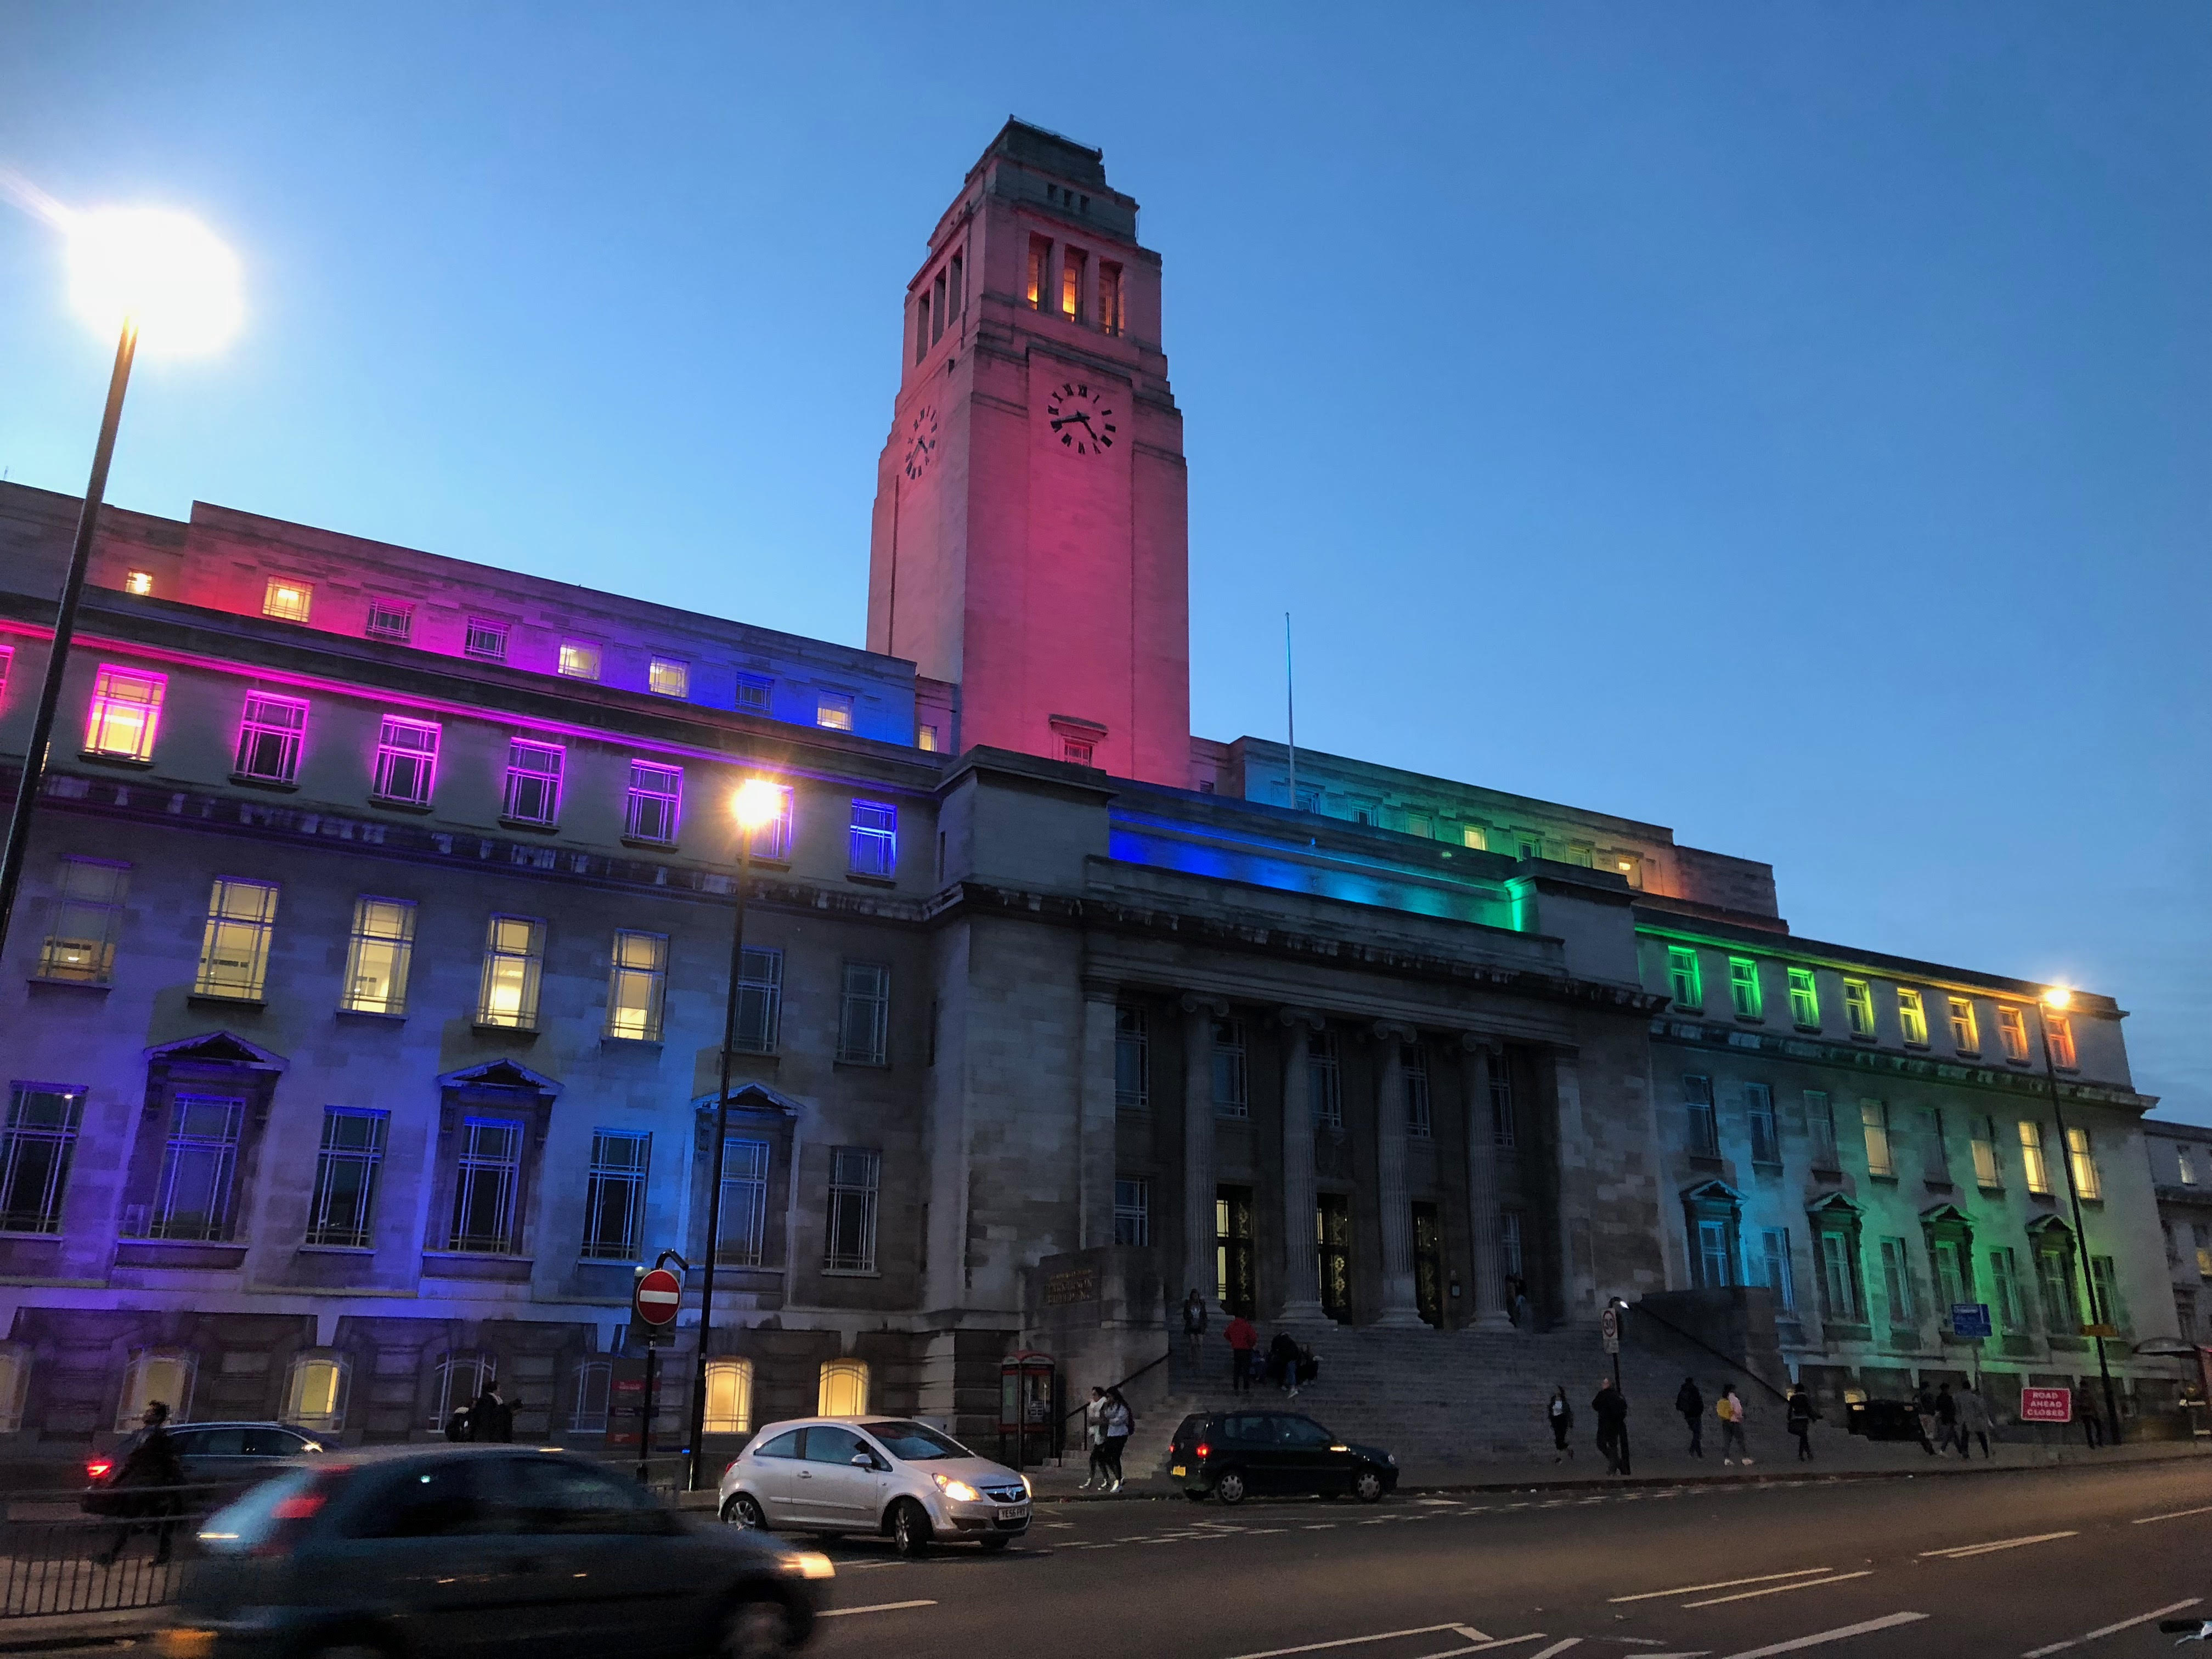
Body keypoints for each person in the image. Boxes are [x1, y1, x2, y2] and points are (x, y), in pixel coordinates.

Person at [93, 1402, 185, 1567]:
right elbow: (133, 1461)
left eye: (150, 1412)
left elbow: (166, 1461)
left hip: (150, 1484)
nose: (146, 1414)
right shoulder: (142, 1435)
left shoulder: (158, 1438)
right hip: (142, 1483)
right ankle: (163, 1554)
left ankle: (111, 1556)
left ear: (157, 1417)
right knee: (152, 1521)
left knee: (132, 1518)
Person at [1098, 1387, 1134, 1493]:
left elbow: (1119, 1420)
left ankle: (1118, 1481)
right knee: (1105, 1456)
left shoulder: (1122, 1407)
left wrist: (1108, 1421)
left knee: (1115, 1456)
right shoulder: (1109, 1406)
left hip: (1120, 1434)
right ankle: (1118, 1476)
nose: (1108, 1399)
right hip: (1111, 1434)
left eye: (1109, 1397)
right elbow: (1106, 1415)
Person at [1592, 1377, 1629, 1475]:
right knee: (1613, 1445)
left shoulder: (1603, 1395)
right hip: (1616, 1425)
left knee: (1601, 1444)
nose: (1603, 1385)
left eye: (1605, 1383)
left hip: (1605, 1424)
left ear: (1609, 1385)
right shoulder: (1618, 1395)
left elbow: (1595, 1405)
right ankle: (1619, 1465)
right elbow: (1624, 1408)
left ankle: (1615, 1465)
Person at [1079, 1386, 1108, 1490]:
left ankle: (1090, 1480)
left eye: (1095, 1395)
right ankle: (1106, 1479)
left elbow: (1105, 1421)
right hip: (1096, 1434)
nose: (1093, 1397)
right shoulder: (1094, 1406)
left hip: (1102, 1435)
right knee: (1100, 1460)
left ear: (1100, 1396)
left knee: (1093, 1458)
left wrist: (1095, 1421)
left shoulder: (1104, 1404)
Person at [1955, 1381, 1993, 1459]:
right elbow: (1979, 1408)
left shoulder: (1959, 1396)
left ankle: (1965, 1453)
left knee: (1965, 1437)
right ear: (1970, 1388)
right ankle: (1986, 1452)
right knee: (1981, 1436)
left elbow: (1957, 1407)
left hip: (1965, 1419)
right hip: (1975, 1419)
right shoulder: (1973, 1397)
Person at [1717, 1385, 1752, 1466]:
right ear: (1732, 1391)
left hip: (1725, 1422)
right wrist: (1741, 1417)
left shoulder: (1723, 1399)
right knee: (1740, 1440)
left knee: (1727, 1441)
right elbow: (1738, 1411)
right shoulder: (1734, 1399)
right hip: (1735, 1422)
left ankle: (1727, 1459)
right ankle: (1745, 1458)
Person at [471, 1379, 514, 1444]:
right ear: (494, 1390)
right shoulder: (487, 1401)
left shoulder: (496, 1401)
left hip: (494, 1433)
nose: (501, 1390)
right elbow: (487, 1418)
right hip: (489, 1433)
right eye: (499, 1388)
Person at [1226, 1310, 1257, 1393]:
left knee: (1237, 1369)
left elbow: (1226, 1334)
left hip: (1237, 1349)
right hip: (1246, 1350)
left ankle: (1236, 1388)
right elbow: (1253, 1337)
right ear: (1245, 1316)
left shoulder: (1232, 1325)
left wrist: (1233, 1341)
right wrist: (1250, 1345)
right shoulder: (1247, 1326)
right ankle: (1246, 1388)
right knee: (1246, 1370)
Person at [1786, 1383, 1818, 1462]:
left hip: (1795, 1419)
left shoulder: (1793, 1398)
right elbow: (1808, 1408)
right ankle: (1807, 1454)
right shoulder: (1804, 1397)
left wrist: (1789, 1419)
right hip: (1804, 1419)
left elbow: (1790, 1409)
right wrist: (1813, 1417)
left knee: (1803, 1437)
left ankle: (1804, 1455)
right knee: (1804, 1436)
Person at [1675, 1376, 1705, 1457]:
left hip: (1688, 1416)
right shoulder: (1694, 1390)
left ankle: (1699, 1453)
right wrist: (1700, 1411)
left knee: (1696, 1433)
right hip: (1696, 1415)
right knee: (1697, 1433)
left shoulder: (1682, 1391)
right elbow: (1699, 1402)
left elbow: (1678, 1405)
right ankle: (1692, 1451)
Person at [1268, 1329, 1302, 1397]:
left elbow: (1274, 1347)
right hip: (1289, 1358)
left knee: (1287, 1371)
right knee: (1290, 1371)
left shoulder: (1280, 1340)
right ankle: (1293, 1385)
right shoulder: (1290, 1341)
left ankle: (1289, 1385)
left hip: (1286, 1358)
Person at [1182, 1290, 1209, 1367]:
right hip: (1191, 1326)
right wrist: (1190, 1317)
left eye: (1196, 1295)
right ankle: (1193, 1359)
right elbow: (1185, 1315)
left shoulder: (1201, 1304)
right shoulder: (1188, 1305)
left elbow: (1204, 1315)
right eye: (1194, 1296)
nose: (1195, 1297)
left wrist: (1205, 1324)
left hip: (1199, 1326)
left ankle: (1199, 1360)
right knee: (1193, 1343)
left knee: (1200, 1343)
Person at [1547, 1386, 1574, 1462]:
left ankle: (1560, 1456)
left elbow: (1568, 1413)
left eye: (1558, 1390)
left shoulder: (1564, 1402)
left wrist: (1570, 1423)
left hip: (1562, 1421)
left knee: (1560, 1439)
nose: (1556, 1392)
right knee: (1558, 1439)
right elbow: (1550, 1410)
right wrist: (1551, 1419)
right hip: (1556, 1421)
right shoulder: (1553, 1400)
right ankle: (1567, 1450)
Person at [1934, 1383, 1961, 1455]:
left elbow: (1937, 1409)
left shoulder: (1939, 1398)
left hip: (1944, 1418)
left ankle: (1960, 1450)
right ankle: (1943, 1450)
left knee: (1953, 1435)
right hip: (1949, 1419)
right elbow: (1953, 1409)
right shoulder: (1949, 1398)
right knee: (1950, 1435)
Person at [1913, 1384, 1939, 1455]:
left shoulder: (1917, 1396)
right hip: (1929, 1415)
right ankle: (1930, 1449)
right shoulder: (1929, 1396)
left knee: (1924, 1432)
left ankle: (1928, 1448)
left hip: (1921, 1415)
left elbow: (1915, 1405)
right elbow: (1933, 1404)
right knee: (1930, 1433)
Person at [2076, 1385, 2103, 1449]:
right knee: (2097, 1427)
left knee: (2088, 1429)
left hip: (2085, 1414)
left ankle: (2092, 1443)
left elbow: (2078, 1405)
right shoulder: (2089, 1394)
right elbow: (2094, 1404)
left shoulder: (2080, 1395)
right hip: (2091, 1413)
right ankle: (2099, 1442)